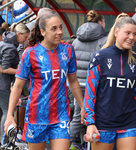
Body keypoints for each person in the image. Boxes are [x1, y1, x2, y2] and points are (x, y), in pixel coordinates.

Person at [4, 13, 84, 150]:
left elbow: (73, 82)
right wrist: (10, 115)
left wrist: (83, 107)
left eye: (60, 27)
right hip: (36, 115)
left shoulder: (68, 50)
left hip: (61, 115)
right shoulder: (31, 53)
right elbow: (17, 86)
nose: (59, 32)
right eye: (54, 29)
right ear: (43, 32)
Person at [84, 13, 136, 150]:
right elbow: (90, 93)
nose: (131, 37)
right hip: (103, 123)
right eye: (128, 33)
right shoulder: (99, 57)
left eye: (134, 34)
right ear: (117, 32)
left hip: (130, 123)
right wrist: (90, 122)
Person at [69, 10, 107, 149]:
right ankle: (90, 145)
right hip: (95, 85)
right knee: (95, 117)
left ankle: (69, 144)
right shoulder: (104, 40)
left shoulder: (75, 41)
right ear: (101, 23)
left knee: (77, 117)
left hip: (77, 84)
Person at [0, 22, 30, 149]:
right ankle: (4, 141)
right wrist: (24, 72)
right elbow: (5, 69)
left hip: (3, 83)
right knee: (8, 113)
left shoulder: (3, 42)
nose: (26, 40)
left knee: (3, 112)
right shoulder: (11, 48)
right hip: (4, 84)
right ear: (19, 34)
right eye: (25, 37)